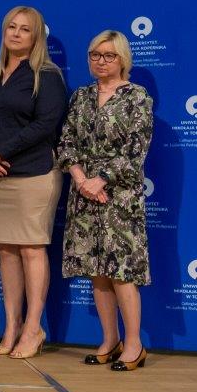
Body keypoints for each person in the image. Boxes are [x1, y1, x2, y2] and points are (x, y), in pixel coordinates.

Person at [0, 6, 68, 359]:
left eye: (25, 29)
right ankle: (11, 326)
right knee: (6, 252)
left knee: (31, 250)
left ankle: (33, 327)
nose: (16, 33)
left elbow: (45, 125)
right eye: (11, 26)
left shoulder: (47, 75)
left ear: (36, 36)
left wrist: (1, 151)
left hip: (34, 175)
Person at [56, 31, 153, 371]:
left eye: (109, 55)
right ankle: (110, 341)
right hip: (84, 193)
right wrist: (81, 179)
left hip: (119, 197)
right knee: (97, 272)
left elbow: (135, 150)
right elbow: (66, 143)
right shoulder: (81, 96)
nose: (101, 61)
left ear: (123, 59)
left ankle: (134, 345)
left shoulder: (137, 97)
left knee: (121, 271)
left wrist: (101, 179)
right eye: (95, 55)